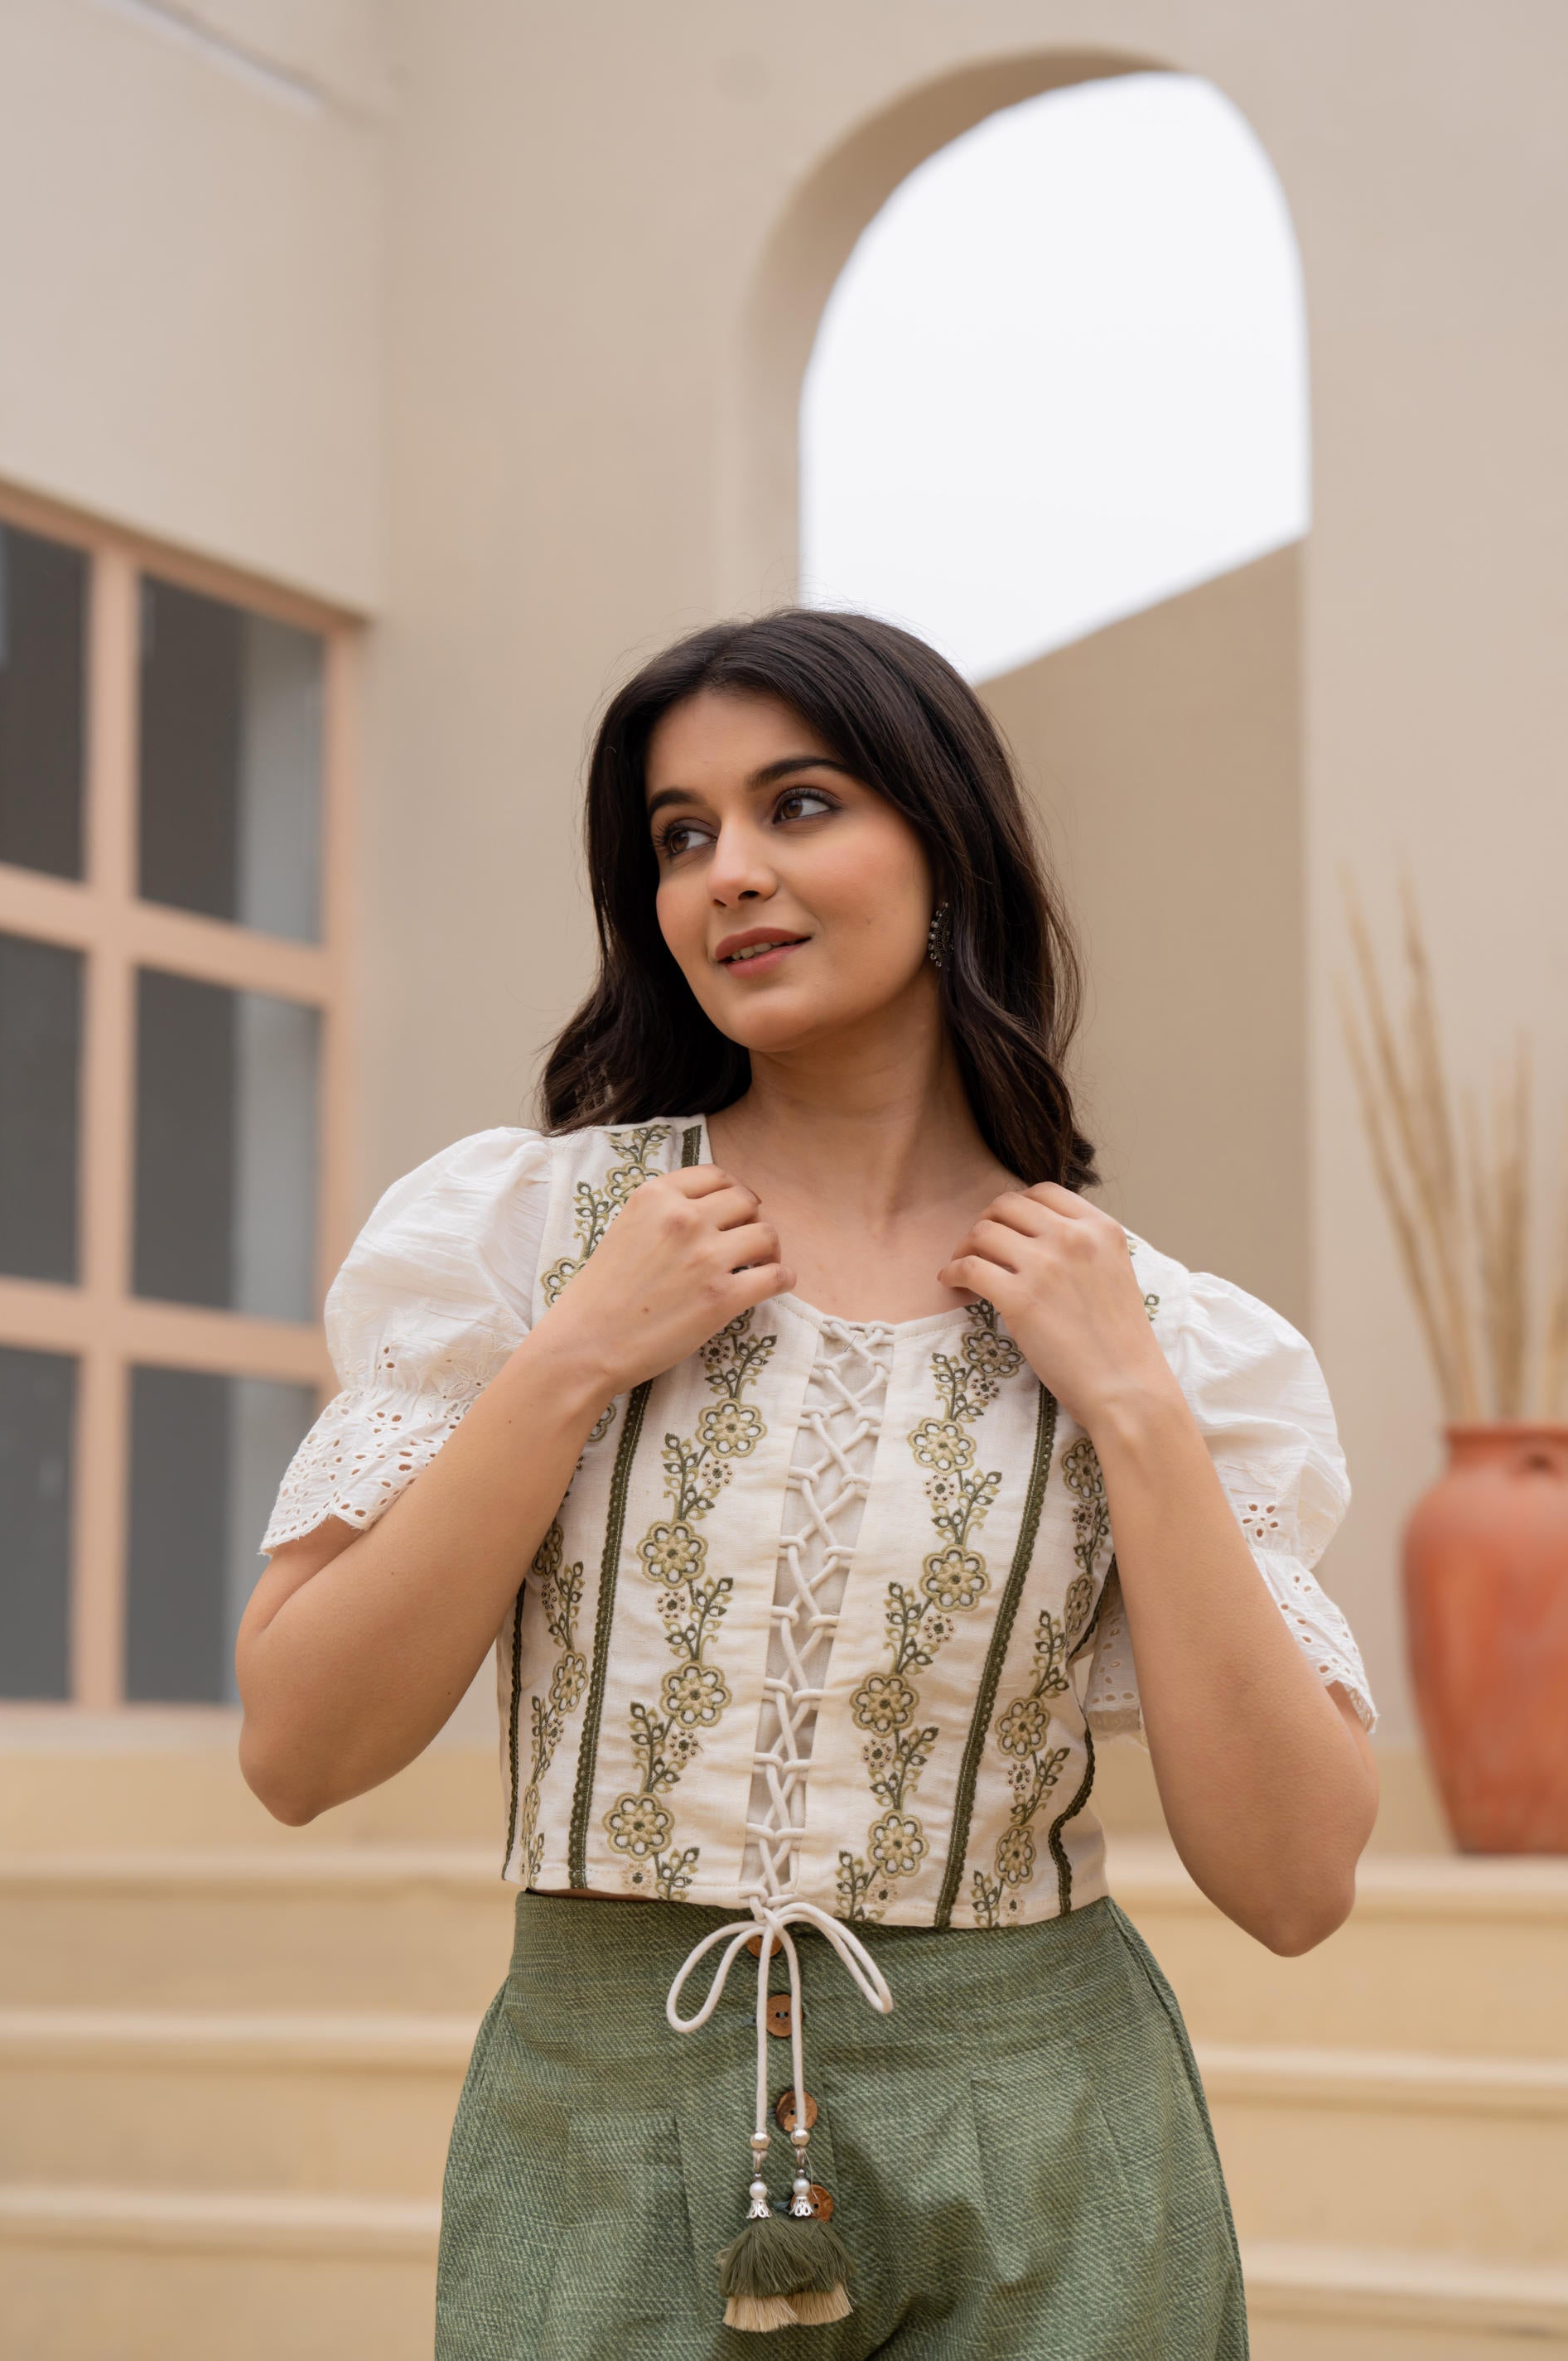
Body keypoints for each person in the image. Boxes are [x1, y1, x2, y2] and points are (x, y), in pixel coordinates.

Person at [238, 609, 1378, 2359]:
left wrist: (1132, 1411)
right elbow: (299, 1749)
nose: (728, 876)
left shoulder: (1170, 1339)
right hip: (596, 2139)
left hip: (1049, 2163)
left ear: (945, 842)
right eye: (679, 835)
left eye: (799, 805)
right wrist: (570, 1360)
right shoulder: (519, 1242)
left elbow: (1294, 1885)